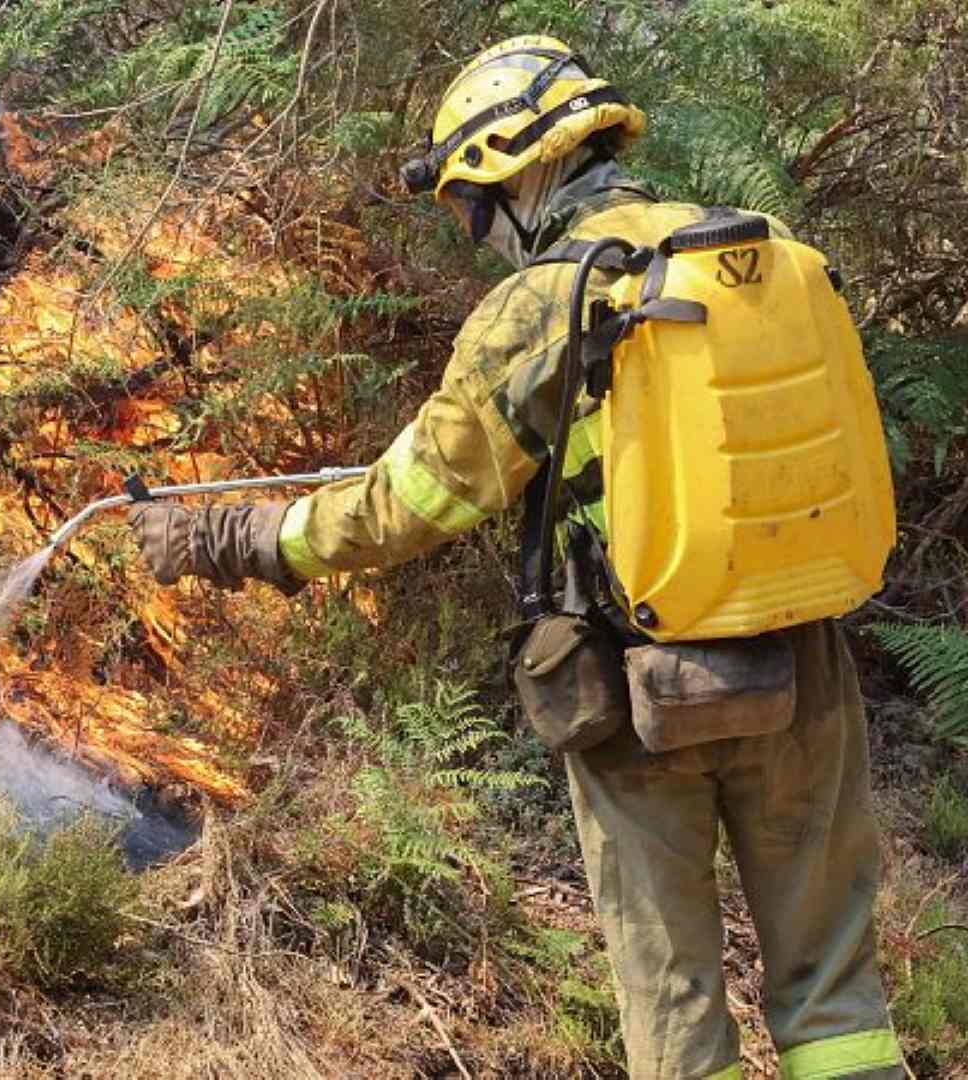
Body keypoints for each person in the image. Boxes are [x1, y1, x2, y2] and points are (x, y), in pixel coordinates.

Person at [129, 36, 907, 1080]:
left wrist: (240, 537)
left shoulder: (548, 299)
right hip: (807, 664)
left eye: (468, 200)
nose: (471, 227)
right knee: (838, 1005)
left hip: (643, 695)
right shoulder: (758, 256)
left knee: (675, 1005)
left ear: (513, 166)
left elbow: (411, 503)